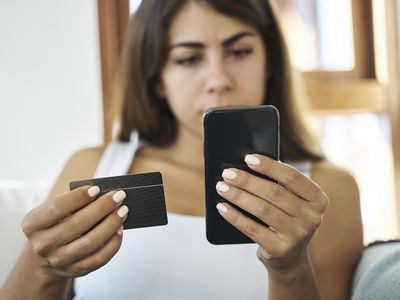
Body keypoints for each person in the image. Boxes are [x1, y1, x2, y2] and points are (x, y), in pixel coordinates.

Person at [0, 0, 363, 299]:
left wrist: (289, 266)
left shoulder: (327, 191)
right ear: (157, 78)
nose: (219, 79)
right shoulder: (94, 166)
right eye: (189, 58)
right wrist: (41, 267)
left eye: (239, 51)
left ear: (269, 62)